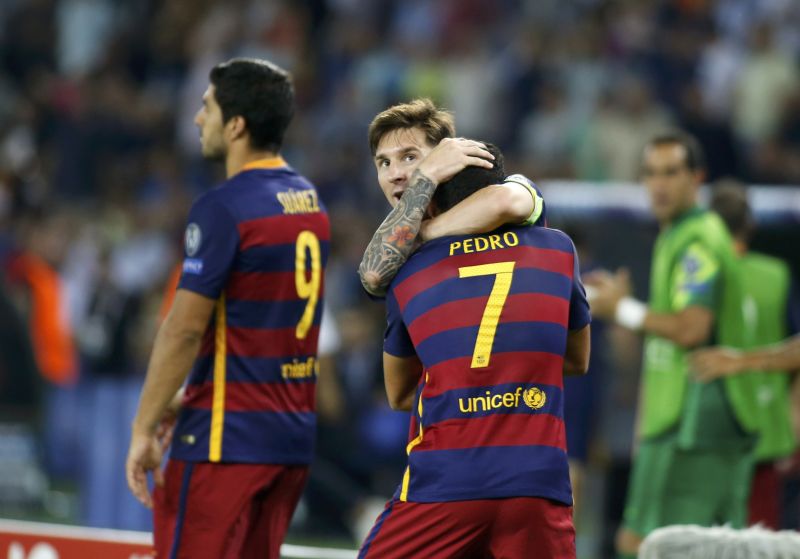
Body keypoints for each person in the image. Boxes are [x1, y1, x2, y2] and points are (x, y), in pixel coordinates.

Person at [125, 58, 330, 559]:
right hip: (289, 442)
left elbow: (183, 330)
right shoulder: (310, 202)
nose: (198, 119)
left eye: (207, 107)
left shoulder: (224, 206)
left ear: (236, 125)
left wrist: (144, 427)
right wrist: (188, 396)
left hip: (224, 442)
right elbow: (260, 325)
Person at [358, 143, 591, 558]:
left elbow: (399, 394)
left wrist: (463, 382)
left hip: (444, 484)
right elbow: (576, 360)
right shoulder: (558, 250)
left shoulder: (410, 272)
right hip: (537, 482)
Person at [586, 132, 759, 558]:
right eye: (650, 174)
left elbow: (691, 329)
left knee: (646, 544)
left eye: (671, 173)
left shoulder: (696, 239)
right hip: (691, 418)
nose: (658, 184)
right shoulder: (679, 235)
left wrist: (623, 310)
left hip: (694, 422)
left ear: (697, 178)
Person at [690, 181, 799, 529]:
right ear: (749, 225)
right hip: (767, 426)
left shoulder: (699, 275)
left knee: (703, 537)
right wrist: (794, 415)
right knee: (760, 539)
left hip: (706, 428)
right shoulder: (776, 274)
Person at [358, 98, 545, 298]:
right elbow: (373, 276)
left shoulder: (513, 186)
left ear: (445, 157)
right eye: (385, 163)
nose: (394, 174)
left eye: (409, 157)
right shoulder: (395, 247)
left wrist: (422, 231)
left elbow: (503, 201)